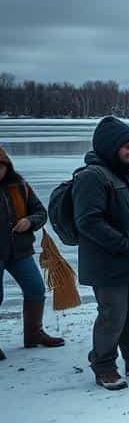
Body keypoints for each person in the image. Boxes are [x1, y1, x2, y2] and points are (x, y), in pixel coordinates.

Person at [73, 116, 129, 390]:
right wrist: (121, 244)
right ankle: (104, 366)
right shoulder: (92, 177)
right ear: (110, 146)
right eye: (126, 146)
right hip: (108, 264)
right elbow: (88, 221)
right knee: (113, 315)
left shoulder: (126, 178)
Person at [0, 146, 64, 361]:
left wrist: (29, 221)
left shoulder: (19, 186)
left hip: (19, 251)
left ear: (7, 167)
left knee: (36, 288)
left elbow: (40, 212)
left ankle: (33, 334)